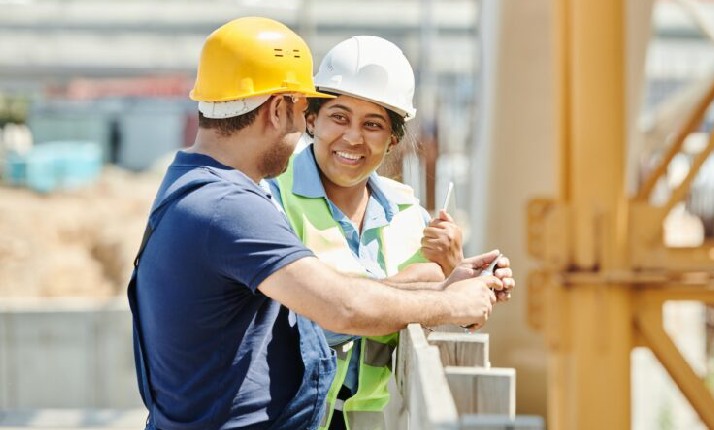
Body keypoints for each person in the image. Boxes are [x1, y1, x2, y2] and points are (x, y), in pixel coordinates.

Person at [127, 17, 511, 430]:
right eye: (302, 111)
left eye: (372, 124)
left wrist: (439, 284)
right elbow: (339, 307)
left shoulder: (199, 188)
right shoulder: (230, 206)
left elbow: (320, 301)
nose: (301, 130)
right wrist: (451, 303)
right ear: (278, 110)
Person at [267, 36, 512, 430]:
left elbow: (427, 317)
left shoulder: (408, 214)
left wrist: (457, 275)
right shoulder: (273, 199)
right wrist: (419, 287)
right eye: (339, 117)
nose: (353, 137)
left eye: (373, 124)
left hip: (366, 420)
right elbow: (309, 317)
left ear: (393, 138)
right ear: (311, 119)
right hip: (288, 416)